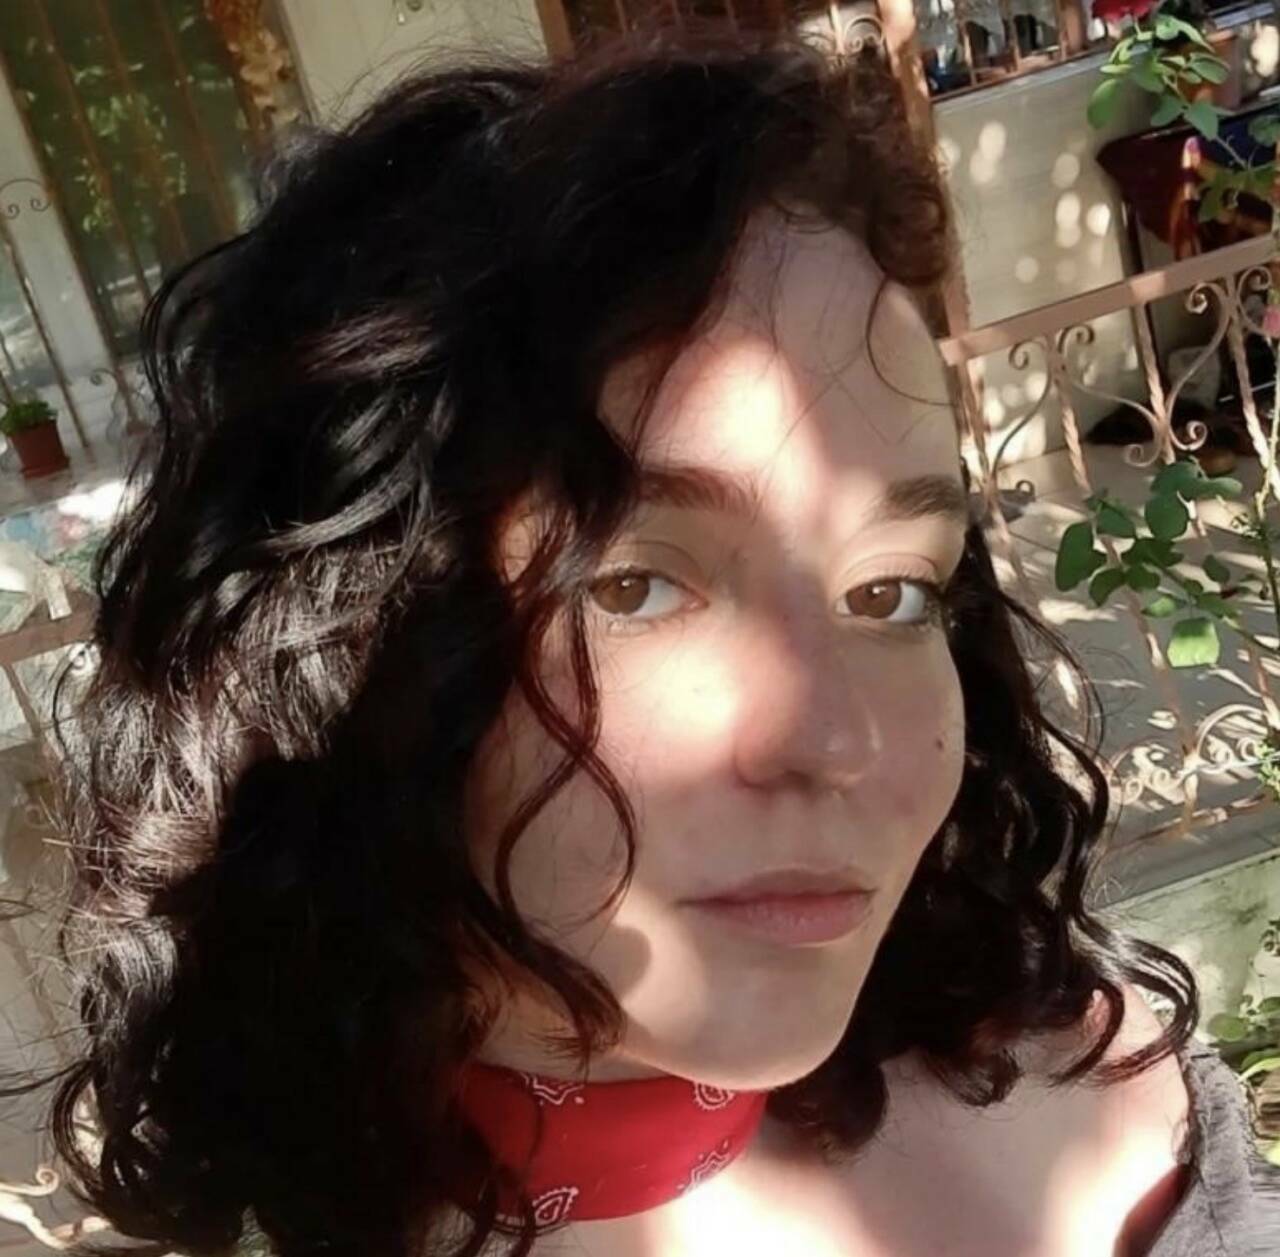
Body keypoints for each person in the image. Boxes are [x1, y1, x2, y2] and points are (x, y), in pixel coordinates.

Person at [14, 20, 1280, 1257]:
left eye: (890, 592)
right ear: (336, 648)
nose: (840, 740)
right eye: (632, 586)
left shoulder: (1112, 1110)